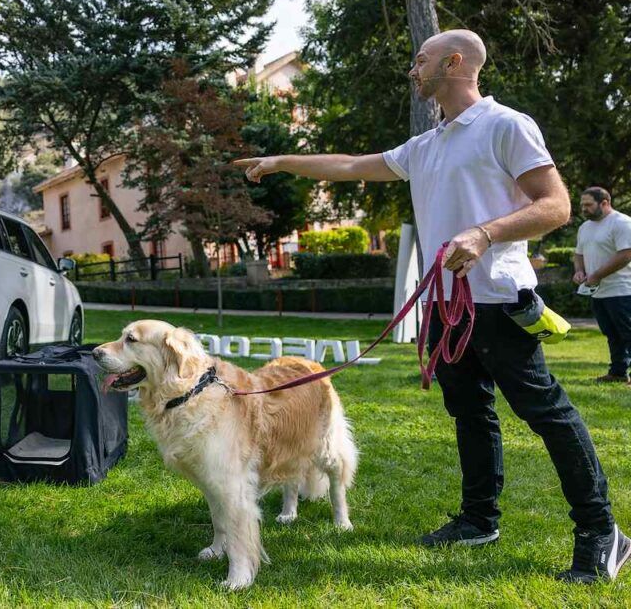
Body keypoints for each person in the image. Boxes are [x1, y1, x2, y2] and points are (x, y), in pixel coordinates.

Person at [233, 29, 627, 583]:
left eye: (421, 60)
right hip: (445, 309)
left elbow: (556, 205)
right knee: (469, 414)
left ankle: (601, 532)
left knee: (548, 415)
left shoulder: (505, 125)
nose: (413, 69)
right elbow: (348, 166)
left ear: (455, 62)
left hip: (498, 300)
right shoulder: (426, 145)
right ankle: (478, 520)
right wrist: (280, 161)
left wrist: (485, 234)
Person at [574, 186, 631, 383]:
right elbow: (578, 254)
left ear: (604, 203)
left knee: (628, 333)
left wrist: (597, 274)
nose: (584, 209)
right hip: (598, 292)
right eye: (582, 205)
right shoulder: (585, 228)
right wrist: (579, 271)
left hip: (623, 290)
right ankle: (618, 373)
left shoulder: (622, 223)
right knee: (612, 334)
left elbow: (625, 255)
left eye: (588, 204)